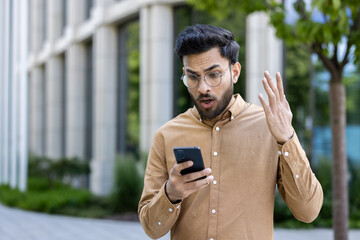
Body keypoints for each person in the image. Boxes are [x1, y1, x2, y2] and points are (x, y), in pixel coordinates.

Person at [138, 24, 323, 240]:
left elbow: (308, 212)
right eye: (193, 77)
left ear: (234, 72)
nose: (203, 87)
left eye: (213, 74)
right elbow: (152, 229)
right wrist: (171, 193)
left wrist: (287, 139)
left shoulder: (270, 127)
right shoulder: (166, 135)